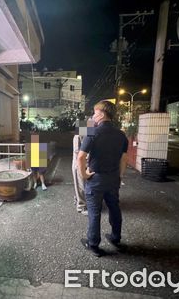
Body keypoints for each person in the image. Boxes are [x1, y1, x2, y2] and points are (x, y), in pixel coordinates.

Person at [77, 100, 128, 257]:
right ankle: (115, 238)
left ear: (101, 114)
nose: (93, 115)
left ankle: (93, 244)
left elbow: (81, 157)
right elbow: (123, 159)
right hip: (113, 178)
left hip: (96, 180)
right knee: (114, 207)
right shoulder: (121, 135)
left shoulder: (92, 133)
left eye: (95, 112)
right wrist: (119, 176)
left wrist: (84, 175)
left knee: (94, 212)